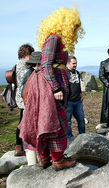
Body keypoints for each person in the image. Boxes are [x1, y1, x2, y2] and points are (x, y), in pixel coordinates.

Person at [19, 7, 85, 171]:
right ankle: (58, 159)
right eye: (73, 26)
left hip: (55, 82)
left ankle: (45, 157)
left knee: (48, 120)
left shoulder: (58, 39)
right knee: (55, 121)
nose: (75, 30)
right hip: (50, 85)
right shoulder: (54, 38)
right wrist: (56, 88)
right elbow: (47, 64)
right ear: (65, 23)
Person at [14, 43, 34, 156]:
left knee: (22, 121)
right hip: (24, 97)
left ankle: (19, 146)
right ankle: (20, 146)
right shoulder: (23, 65)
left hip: (23, 96)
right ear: (26, 54)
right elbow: (25, 79)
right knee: (23, 122)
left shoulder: (22, 65)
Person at [66, 56, 86, 138]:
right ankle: (69, 137)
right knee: (68, 122)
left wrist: (80, 94)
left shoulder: (77, 73)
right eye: (73, 63)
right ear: (68, 63)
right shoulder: (65, 73)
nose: (75, 65)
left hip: (78, 101)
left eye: (76, 63)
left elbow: (78, 85)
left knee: (81, 120)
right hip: (69, 102)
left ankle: (83, 135)